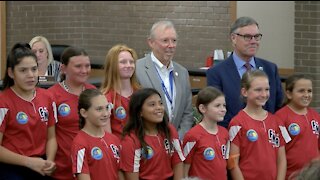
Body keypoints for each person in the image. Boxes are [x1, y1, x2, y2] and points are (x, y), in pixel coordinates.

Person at [206, 16, 283, 128]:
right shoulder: (217, 73)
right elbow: (216, 112)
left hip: (267, 138)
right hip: (233, 137)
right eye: (247, 37)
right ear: (233, 38)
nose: (253, 41)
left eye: (256, 37)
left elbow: (279, 107)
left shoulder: (270, 69)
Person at [0, 43, 57, 179]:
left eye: (34, 69)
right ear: (11, 73)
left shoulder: (48, 97)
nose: (31, 75)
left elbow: (52, 138)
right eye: (23, 70)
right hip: (12, 168)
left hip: (41, 165)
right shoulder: (3, 102)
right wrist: (29, 162)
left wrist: (49, 161)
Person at [135, 20, 193, 139]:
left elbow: (187, 113)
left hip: (177, 143)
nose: (171, 45)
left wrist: (178, 139)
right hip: (148, 142)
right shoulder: (137, 70)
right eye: (165, 40)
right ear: (151, 42)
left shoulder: (182, 72)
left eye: (174, 40)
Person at [228, 70, 290, 180]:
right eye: (258, 90)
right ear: (244, 92)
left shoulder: (277, 122)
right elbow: (233, 163)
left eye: (267, 89)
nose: (264, 94)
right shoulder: (237, 123)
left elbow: (282, 160)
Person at [48, 46, 96, 180]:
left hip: (93, 165)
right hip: (64, 168)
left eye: (87, 66)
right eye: (78, 66)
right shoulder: (51, 95)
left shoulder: (94, 93)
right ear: (63, 68)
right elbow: (48, 135)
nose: (84, 70)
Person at [120, 88, 185, 180]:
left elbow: (178, 162)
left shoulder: (169, 130)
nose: (159, 107)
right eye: (152, 105)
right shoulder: (130, 140)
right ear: (139, 112)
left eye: (160, 103)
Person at [275, 74, 320, 179]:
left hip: (313, 175)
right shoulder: (280, 117)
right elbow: (276, 152)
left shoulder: (316, 116)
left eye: (309, 91)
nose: (306, 94)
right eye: (301, 91)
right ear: (289, 94)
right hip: (290, 175)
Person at [71, 89, 122, 180]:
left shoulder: (114, 139)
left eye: (107, 108)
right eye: (99, 109)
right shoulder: (80, 144)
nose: (105, 114)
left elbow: (120, 173)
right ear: (84, 113)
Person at [183, 86, 229, 180]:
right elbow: (184, 168)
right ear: (203, 108)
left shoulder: (225, 133)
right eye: (217, 106)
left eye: (224, 105)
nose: (223, 109)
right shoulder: (193, 135)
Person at [100, 44, 140, 139]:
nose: (129, 65)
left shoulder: (141, 94)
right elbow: (107, 138)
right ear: (112, 65)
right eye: (123, 62)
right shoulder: (104, 98)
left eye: (131, 62)